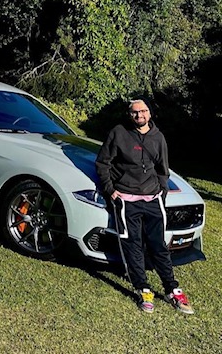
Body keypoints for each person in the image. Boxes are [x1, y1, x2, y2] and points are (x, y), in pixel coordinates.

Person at [95, 98, 193, 314]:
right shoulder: (118, 133)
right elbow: (103, 163)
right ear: (129, 115)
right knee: (133, 244)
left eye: (143, 111)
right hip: (126, 200)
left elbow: (162, 169)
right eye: (135, 112)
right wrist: (111, 190)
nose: (139, 115)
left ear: (150, 113)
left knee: (158, 245)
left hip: (152, 199)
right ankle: (143, 289)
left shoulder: (158, 137)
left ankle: (172, 290)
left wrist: (162, 191)